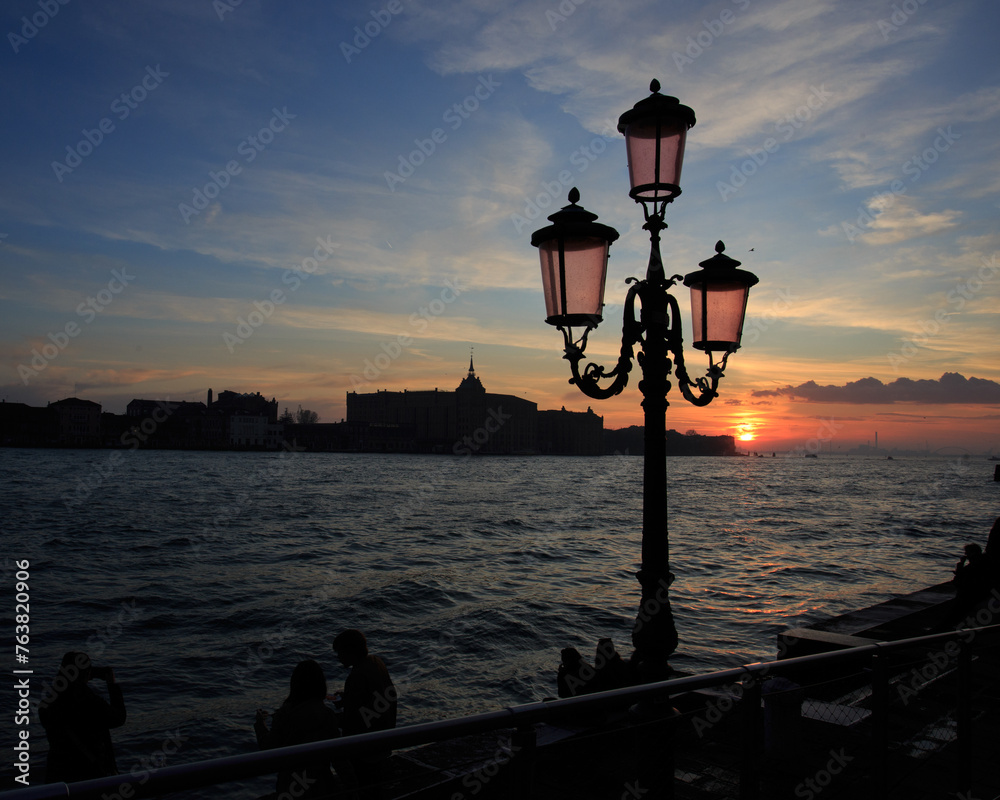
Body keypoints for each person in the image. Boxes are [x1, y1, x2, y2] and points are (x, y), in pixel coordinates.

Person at [254, 659, 339, 800]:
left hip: (290, 786)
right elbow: (338, 755)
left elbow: (268, 747)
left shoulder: (285, 715)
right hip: (322, 784)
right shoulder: (327, 715)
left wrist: (259, 723)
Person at [39, 652, 126, 782]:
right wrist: (111, 685)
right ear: (86, 674)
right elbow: (118, 718)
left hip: (58, 775)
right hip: (88, 776)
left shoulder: (48, 705)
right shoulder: (90, 702)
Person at [331, 629, 397, 798]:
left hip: (365, 750)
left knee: (364, 789)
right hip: (383, 739)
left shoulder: (356, 676)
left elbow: (353, 720)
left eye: (340, 652)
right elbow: (377, 696)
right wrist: (347, 699)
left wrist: (329, 719)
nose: (338, 657)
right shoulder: (376, 663)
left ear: (351, 651)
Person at [953, 543, 989, 608]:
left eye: (967, 553)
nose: (966, 555)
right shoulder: (985, 562)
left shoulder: (972, 567)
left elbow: (957, 582)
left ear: (972, 553)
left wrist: (960, 566)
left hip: (971, 595)